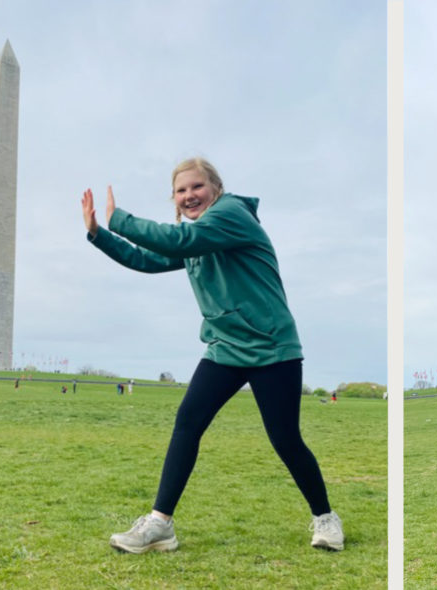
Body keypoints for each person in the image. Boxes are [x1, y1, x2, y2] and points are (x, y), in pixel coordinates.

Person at [82, 157, 342, 554]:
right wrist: (99, 233)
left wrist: (121, 219)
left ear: (215, 189)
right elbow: (146, 260)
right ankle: (160, 524)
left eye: (196, 187)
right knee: (188, 421)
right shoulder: (199, 239)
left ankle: (325, 519)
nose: (189, 196)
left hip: (272, 347)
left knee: (286, 439)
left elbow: (178, 241)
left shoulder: (231, 214)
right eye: (181, 191)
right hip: (224, 347)